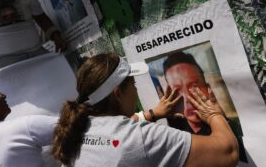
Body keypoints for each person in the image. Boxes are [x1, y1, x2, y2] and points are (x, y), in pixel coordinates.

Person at [52, 53, 239, 167]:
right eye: (133, 84)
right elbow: (228, 153)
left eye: (192, 85)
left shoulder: (80, 126)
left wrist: (152, 114)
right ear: (118, 93)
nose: (136, 89)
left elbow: (115, 137)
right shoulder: (139, 139)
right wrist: (214, 115)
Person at [162, 51, 214, 134]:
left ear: (208, 88)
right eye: (177, 91)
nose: (187, 98)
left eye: (194, 87)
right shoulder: (172, 134)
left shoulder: (229, 126)